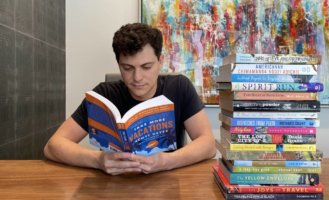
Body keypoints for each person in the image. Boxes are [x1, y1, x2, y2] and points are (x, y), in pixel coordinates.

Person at [44, 23, 216, 175]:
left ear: (159, 61)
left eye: (146, 67)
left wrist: (166, 161)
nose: (137, 77)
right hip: (113, 188)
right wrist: (98, 160)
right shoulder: (104, 94)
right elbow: (53, 146)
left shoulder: (179, 87)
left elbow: (208, 145)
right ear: (119, 64)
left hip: (168, 184)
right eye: (127, 68)